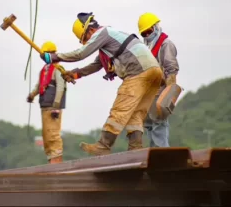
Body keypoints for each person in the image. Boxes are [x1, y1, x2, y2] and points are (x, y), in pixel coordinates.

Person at [40, 12, 163, 156]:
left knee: (119, 110)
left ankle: (104, 145)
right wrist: (75, 74)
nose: (86, 42)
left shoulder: (103, 33)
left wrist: (54, 57)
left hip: (138, 70)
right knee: (136, 113)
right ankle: (135, 148)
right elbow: (96, 65)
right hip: (154, 72)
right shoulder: (111, 38)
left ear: (90, 30)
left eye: (85, 38)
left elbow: (81, 53)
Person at [138, 12, 180, 147]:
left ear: (155, 27)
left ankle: (163, 155)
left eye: (148, 31)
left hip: (161, 92)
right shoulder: (147, 47)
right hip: (149, 94)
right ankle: (154, 154)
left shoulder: (165, 44)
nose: (147, 35)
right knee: (149, 125)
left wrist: (169, 95)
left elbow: (171, 69)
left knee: (159, 125)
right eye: (143, 33)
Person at [27, 42, 67, 164]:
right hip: (44, 106)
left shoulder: (58, 69)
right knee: (47, 136)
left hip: (53, 108)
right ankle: (51, 161)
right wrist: (32, 95)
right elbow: (40, 85)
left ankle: (57, 162)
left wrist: (56, 105)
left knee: (53, 135)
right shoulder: (45, 69)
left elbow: (61, 87)